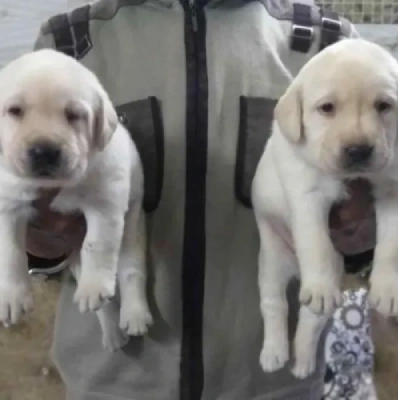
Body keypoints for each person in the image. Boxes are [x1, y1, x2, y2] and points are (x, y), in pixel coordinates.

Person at [27, 0, 376, 399]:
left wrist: (360, 236)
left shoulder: (326, 45)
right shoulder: (72, 45)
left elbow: (365, 239)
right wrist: (40, 238)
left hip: (275, 386)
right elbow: (41, 246)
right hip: (113, 386)